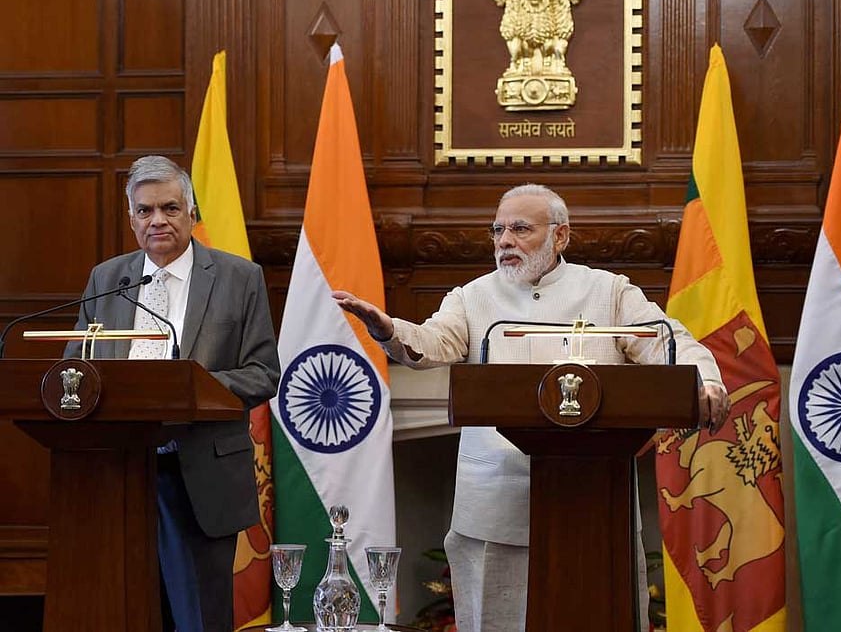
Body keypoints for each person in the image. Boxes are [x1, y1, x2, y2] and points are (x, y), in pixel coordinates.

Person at [334, 183, 730, 632]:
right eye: (498, 230)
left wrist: (707, 380)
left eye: (521, 229)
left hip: (593, 502)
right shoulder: (472, 296)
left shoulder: (609, 291)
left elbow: (668, 341)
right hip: (493, 500)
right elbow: (431, 342)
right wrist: (387, 330)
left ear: (560, 236)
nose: (504, 241)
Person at [64, 155, 280, 632]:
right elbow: (74, 366)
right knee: (124, 612)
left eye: (169, 208)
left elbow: (264, 374)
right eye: (144, 211)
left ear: (192, 212)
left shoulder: (238, 277)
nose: (157, 220)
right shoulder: (108, 278)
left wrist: (188, 388)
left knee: (200, 618)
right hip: (118, 475)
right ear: (131, 219)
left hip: (201, 471)